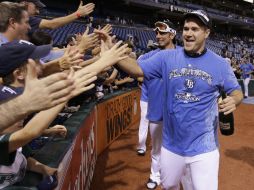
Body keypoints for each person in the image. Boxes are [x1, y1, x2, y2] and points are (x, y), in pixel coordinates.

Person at [106, 10, 243, 190]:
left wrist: (234, 100)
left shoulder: (219, 64)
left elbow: (236, 91)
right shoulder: (166, 58)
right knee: (169, 185)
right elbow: (136, 69)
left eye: (195, 29)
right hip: (171, 145)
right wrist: (111, 51)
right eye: (186, 28)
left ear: (207, 33)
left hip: (204, 147)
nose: (188, 33)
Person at [136, 20, 177, 189]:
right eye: (157, 33)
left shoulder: (183, 54)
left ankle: (174, 178)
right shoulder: (148, 56)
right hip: (157, 110)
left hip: (178, 111)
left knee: (179, 148)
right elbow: (136, 72)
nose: (158, 36)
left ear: (172, 34)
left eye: (162, 33)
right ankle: (155, 176)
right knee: (156, 149)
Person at [19, 0, 95, 32]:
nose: (38, 12)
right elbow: (51, 24)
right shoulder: (21, 18)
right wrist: (78, 14)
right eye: (36, 7)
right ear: (25, 3)